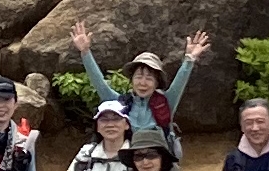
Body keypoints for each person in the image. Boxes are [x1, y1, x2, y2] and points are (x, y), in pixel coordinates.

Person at [72, 20, 210, 156]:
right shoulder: (121, 103)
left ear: (157, 83)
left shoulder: (165, 102)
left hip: (159, 161)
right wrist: (85, 52)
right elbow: (99, 83)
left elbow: (180, 81)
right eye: (138, 77)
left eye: (149, 78)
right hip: (128, 162)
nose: (143, 83)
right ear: (132, 80)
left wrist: (189, 59)